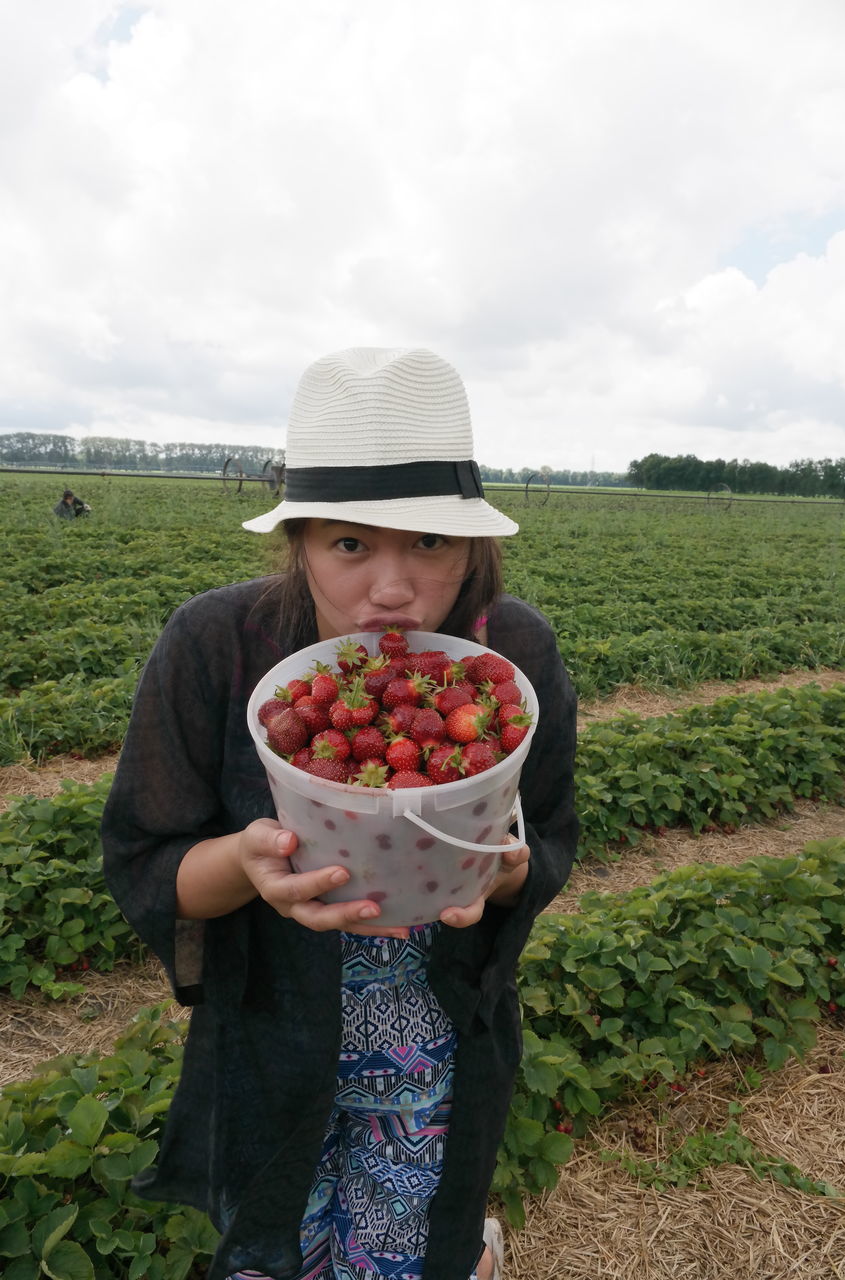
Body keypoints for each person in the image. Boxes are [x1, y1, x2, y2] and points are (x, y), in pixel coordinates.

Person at [101, 347, 578, 1280]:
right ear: (301, 542)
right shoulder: (215, 644)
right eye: (349, 543)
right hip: (273, 1043)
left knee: (406, 1257)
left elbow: (550, 834)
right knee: (274, 1252)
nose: (391, 589)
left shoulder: (511, 650)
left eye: (429, 544)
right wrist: (245, 863)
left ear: (473, 548)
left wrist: (511, 867)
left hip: (434, 1045)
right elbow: (145, 863)